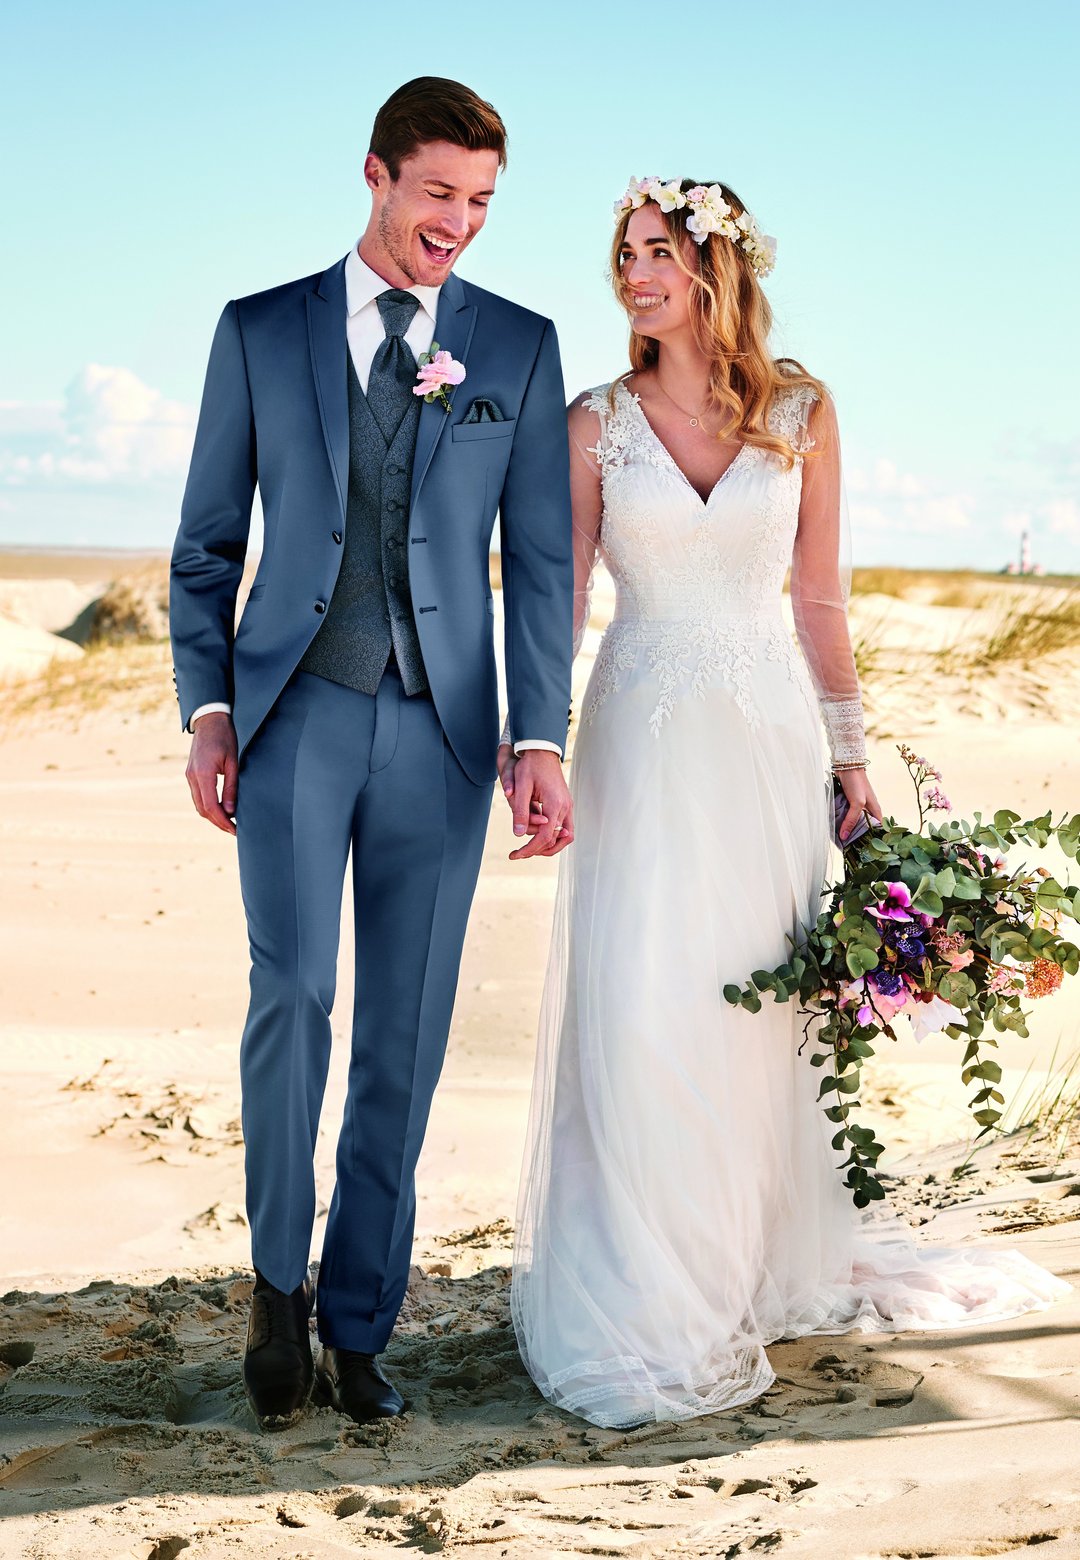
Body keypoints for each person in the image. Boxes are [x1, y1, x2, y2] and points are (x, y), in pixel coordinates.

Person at [508, 176, 1069, 1429]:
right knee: (645, 988)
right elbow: (562, 597)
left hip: (766, 734)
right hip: (640, 730)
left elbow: (819, 599)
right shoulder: (593, 423)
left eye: (659, 251)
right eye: (626, 253)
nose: (634, 274)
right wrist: (535, 737)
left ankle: (749, 1256)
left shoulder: (802, 411)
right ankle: (644, 1277)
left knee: (756, 995)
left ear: (718, 267)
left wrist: (851, 754)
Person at [169, 77, 575, 1430]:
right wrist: (208, 710)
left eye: (482, 201)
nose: (459, 222)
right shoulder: (261, 329)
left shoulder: (518, 348)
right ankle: (275, 1293)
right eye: (438, 192)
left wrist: (537, 735)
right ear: (376, 175)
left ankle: (358, 1325)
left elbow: (542, 567)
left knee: (404, 1035)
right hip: (295, 716)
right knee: (292, 999)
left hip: (444, 737)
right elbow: (206, 546)